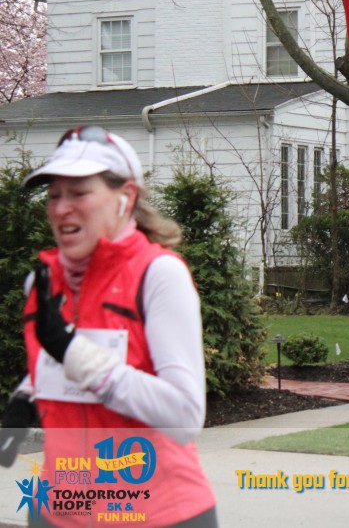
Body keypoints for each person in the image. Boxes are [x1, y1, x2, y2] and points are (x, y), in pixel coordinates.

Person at [0, 126, 217, 526]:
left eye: (79, 193)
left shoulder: (159, 274)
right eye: (54, 195)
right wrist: (25, 398)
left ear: (126, 197)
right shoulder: (42, 282)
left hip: (157, 513)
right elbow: (58, 362)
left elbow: (184, 417)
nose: (60, 208)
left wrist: (70, 350)